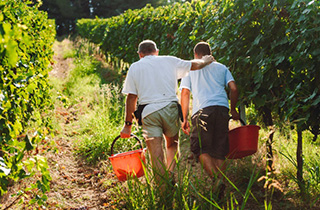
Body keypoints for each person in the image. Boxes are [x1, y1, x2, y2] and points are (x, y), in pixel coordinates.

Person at [120, 40, 214, 190]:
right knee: (171, 144)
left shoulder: (135, 67)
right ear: (156, 51)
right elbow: (194, 65)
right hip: (170, 109)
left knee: (156, 154)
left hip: (148, 112)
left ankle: (163, 189)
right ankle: (170, 173)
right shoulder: (169, 60)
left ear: (140, 54)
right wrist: (205, 60)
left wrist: (127, 125)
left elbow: (131, 97)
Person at [180, 41, 239, 198]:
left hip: (202, 111)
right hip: (222, 109)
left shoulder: (190, 70)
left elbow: (185, 93)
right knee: (219, 150)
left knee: (200, 148)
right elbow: (233, 88)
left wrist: (184, 117)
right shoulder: (222, 67)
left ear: (196, 55)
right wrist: (233, 109)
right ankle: (218, 189)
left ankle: (217, 181)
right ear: (210, 53)